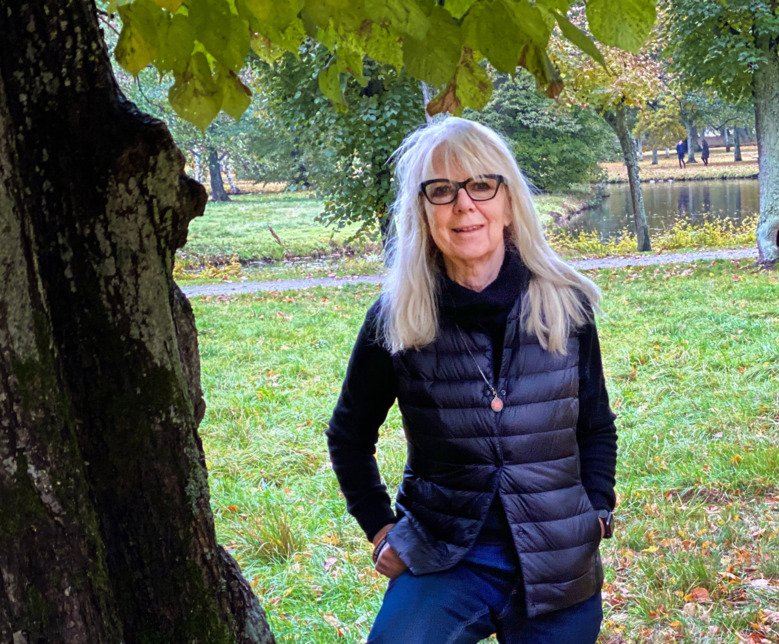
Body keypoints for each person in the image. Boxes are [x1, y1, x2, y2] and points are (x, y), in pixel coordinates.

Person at [327, 117, 617, 643]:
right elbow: (348, 435)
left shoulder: (566, 306)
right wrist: (380, 527)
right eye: (442, 190)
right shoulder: (395, 318)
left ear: (508, 202)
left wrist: (596, 512)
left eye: (482, 185)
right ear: (422, 210)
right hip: (445, 555)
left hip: (558, 558)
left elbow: (595, 425)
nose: (465, 205)